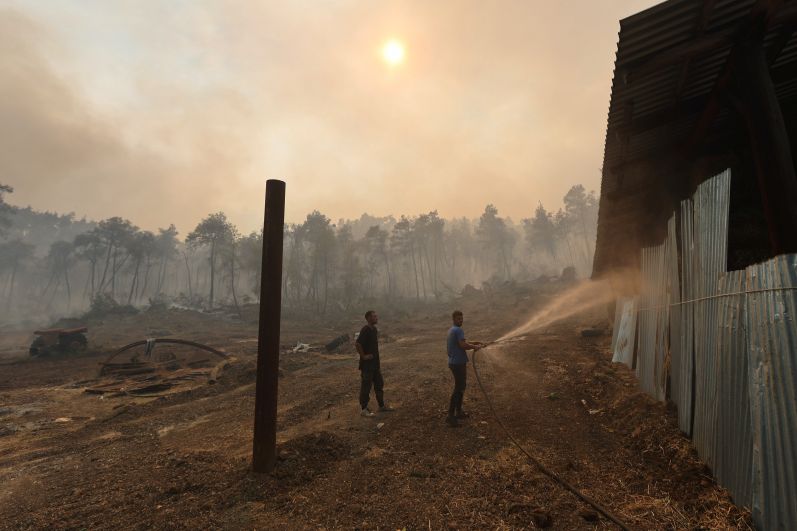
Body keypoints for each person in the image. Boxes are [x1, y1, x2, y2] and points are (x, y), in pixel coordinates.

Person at [446, 310, 485, 427]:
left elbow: (461, 343)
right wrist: (475, 347)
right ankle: (450, 415)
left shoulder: (452, 330)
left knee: (461, 387)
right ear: (453, 319)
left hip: (455, 363)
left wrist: (474, 342)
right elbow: (463, 345)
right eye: (458, 319)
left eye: (462, 318)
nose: (461, 320)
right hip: (457, 364)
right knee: (458, 388)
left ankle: (458, 412)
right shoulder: (458, 330)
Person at [355, 310, 393, 417]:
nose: (376, 318)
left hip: (375, 364)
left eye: (376, 316)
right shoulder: (365, 329)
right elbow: (358, 344)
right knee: (366, 387)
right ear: (368, 318)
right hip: (367, 365)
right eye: (374, 316)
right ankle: (364, 409)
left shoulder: (374, 330)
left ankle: (381, 406)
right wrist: (363, 356)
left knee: (379, 385)